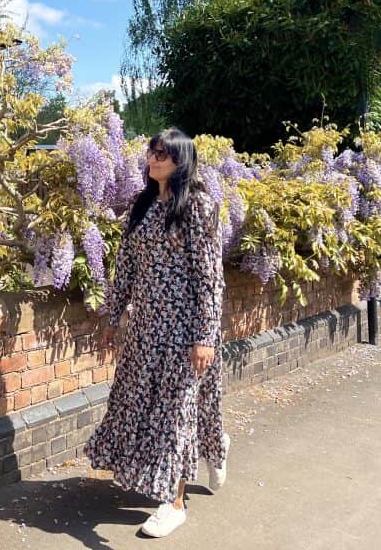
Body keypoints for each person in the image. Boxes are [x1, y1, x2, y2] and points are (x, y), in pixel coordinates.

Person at [85, 127, 229, 538]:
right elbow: (126, 267)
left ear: (181, 162)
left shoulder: (199, 206)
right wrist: (113, 318)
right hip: (146, 327)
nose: (154, 160)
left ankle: (175, 503)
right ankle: (214, 448)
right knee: (144, 407)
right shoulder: (142, 204)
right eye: (152, 152)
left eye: (163, 155)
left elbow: (210, 278)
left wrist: (205, 336)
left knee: (175, 414)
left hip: (185, 330)